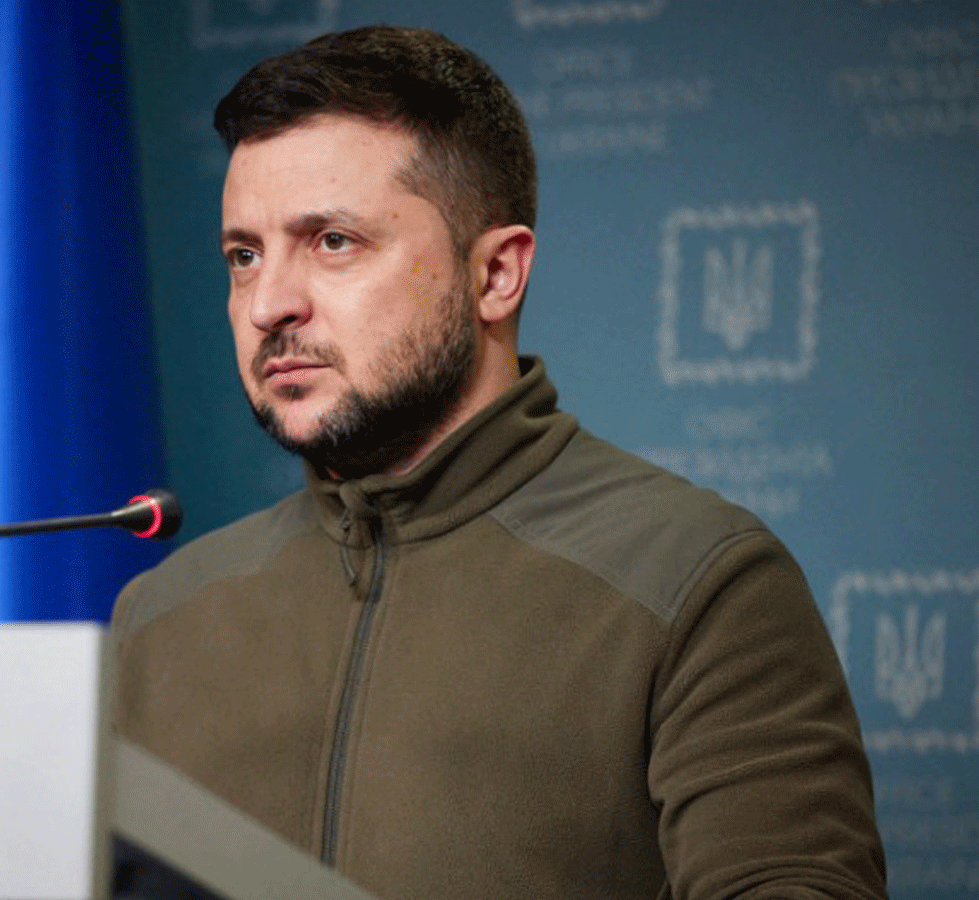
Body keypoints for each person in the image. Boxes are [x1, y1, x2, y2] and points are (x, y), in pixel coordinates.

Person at [111, 25, 887, 900]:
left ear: (496, 275)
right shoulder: (160, 618)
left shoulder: (700, 582)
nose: (268, 305)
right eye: (244, 256)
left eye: (332, 241)